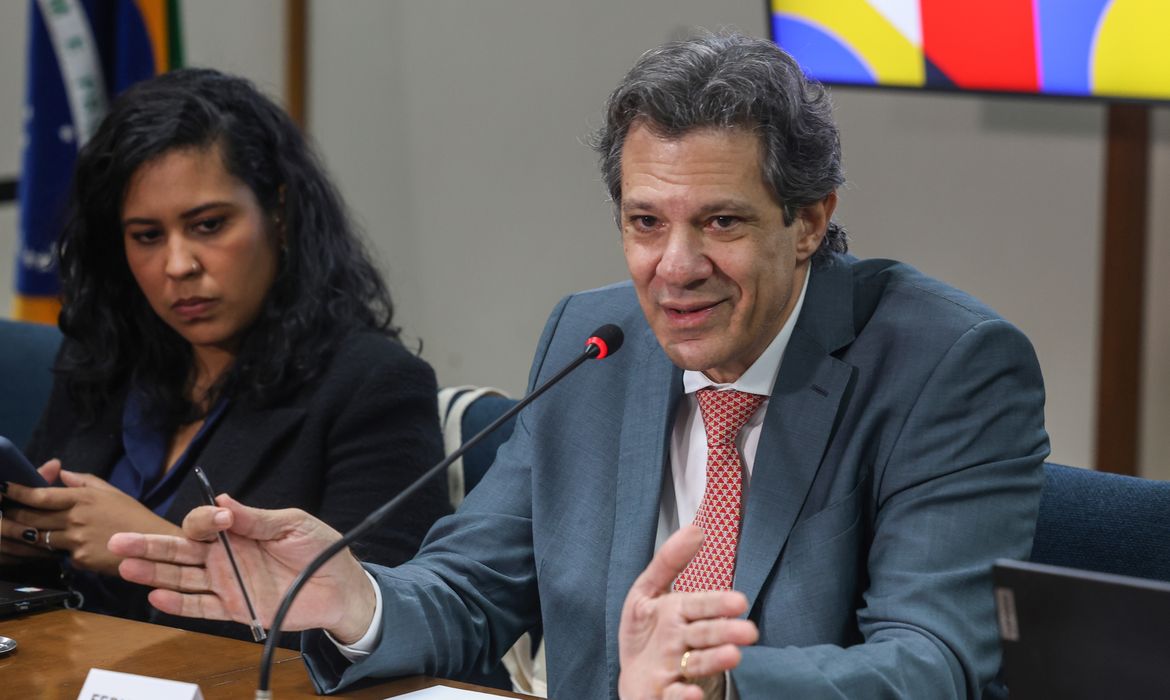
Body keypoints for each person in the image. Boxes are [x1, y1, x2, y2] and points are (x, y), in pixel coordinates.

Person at [110, 33, 1049, 697]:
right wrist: (354, 601)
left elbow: (937, 663)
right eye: (645, 223)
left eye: (719, 222)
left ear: (808, 221)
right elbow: (477, 590)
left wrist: (718, 688)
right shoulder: (595, 341)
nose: (673, 269)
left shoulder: (948, 367)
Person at [0, 69, 449, 642]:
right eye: (146, 236)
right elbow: (52, 569)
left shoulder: (374, 385)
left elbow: (382, 633)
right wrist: (21, 542)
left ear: (279, 214)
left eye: (208, 225)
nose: (179, 265)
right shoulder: (101, 359)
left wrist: (147, 546)